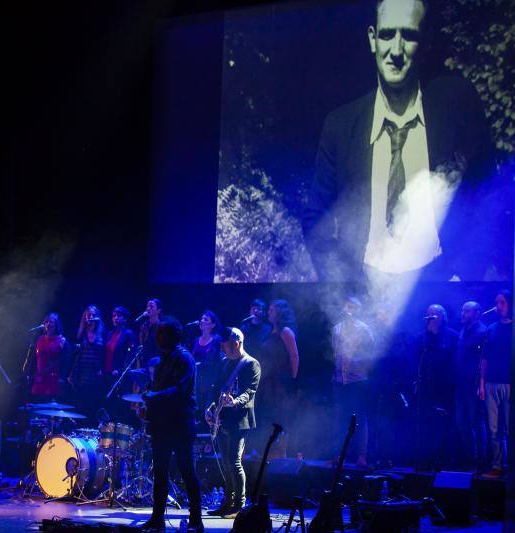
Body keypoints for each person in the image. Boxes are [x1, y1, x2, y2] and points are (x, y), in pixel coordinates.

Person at [302, 0, 495, 282]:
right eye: (387, 34)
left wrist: (463, 276)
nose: (396, 50)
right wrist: (341, 286)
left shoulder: (456, 106)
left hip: (439, 288)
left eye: (409, 35)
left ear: (425, 41)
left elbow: (487, 195)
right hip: (362, 291)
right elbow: (315, 216)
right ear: (372, 39)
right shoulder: (341, 125)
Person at [140, 317, 203, 532]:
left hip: (181, 423)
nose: (157, 338)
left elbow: (179, 390)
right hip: (162, 424)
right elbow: (158, 386)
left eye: (160, 334)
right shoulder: (163, 359)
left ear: (170, 336)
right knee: (160, 472)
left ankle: (196, 521)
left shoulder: (185, 358)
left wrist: (154, 396)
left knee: (187, 470)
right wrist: (148, 397)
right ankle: (157, 520)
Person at [205, 328, 260, 518]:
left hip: (239, 420)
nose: (222, 349)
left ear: (236, 344)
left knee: (234, 462)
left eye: (225, 346)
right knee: (225, 461)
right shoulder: (224, 363)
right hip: (222, 419)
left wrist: (235, 401)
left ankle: (239, 505)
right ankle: (228, 502)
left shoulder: (251, 364)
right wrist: (211, 408)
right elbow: (216, 389)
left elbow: (250, 391)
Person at [331, 296, 375, 468]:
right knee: (340, 418)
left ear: (358, 310)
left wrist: (356, 363)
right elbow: (335, 353)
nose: (349, 310)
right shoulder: (337, 329)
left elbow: (370, 355)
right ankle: (339, 454)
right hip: (340, 381)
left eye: (353, 307)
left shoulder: (365, 330)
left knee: (360, 418)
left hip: (358, 380)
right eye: (347, 306)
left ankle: (361, 456)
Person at [411, 303, 457, 470]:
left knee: (442, 425)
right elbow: (414, 361)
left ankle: (441, 460)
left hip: (443, 389)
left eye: (434, 315)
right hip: (425, 388)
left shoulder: (453, 337)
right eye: (428, 314)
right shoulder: (420, 338)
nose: (430, 317)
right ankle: (422, 459)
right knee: (424, 423)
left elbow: (456, 363)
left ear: (442, 317)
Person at [258, 299, 299, 458]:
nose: (268, 312)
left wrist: (292, 380)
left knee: (280, 416)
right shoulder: (271, 331)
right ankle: (270, 452)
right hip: (269, 381)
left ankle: (281, 453)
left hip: (281, 381)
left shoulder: (286, 331)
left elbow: (294, 355)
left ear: (280, 313)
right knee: (269, 416)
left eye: (272, 310)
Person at [480, 290, 512, 479]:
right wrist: (482, 383)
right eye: (496, 302)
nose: (498, 306)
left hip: (510, 384)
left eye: (502, 302)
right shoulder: (491, 329)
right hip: (492, 383)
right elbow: (484, 359)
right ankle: (498, 466)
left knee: (509, 428)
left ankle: (510, 467)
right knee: (494, 429)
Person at [453, 301, 487, 471]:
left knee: (476, 422)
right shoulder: (463, 330)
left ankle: (480, 461)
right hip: (461, 383)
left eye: (467, 311)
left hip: (473, 383)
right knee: (462, 422)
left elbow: (483, 360)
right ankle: (470, 458)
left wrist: (480, 383)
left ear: (477, 313)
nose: (463, 313)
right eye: (463, 310)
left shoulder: (481, 331)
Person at [69, 305, 106, 419]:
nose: (90, 317)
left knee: (92, 406)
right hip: (81, 374)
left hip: (95, 375)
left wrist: (101, 368)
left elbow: (105, 355)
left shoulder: (103, 334)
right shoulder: (80, 334)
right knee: (79, 405)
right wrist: (70, 374)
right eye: (88, 315)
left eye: (93, 315)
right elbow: (73, 355)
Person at [191, 310, 222, 426]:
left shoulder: (217, 341)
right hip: (196, 383)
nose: (202, 321)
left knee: (208, 414)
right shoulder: (195, 341)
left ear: (213, 325)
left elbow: (219, 363)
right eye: (202, 319)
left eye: (206, 319)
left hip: (210, 384)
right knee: (196, 413)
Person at [29, 313, 69, 400]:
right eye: (46, 322)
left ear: (56, 325)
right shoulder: (40, 339)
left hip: (53, 379)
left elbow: (66, 362)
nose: (48, 324)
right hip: (39, 378)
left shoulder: (62, 341)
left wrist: (62, 378)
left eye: (51, 322)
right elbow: (36, 359)